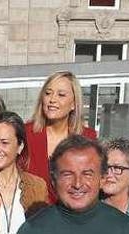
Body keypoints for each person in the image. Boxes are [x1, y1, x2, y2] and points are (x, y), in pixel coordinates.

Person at [25, 71, 97, 202]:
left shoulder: (88, 138)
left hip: (73, 217)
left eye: (61, 95)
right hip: (33, 216)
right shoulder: (26, 134)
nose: (52, 99)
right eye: (48, 93)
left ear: (73, 104)